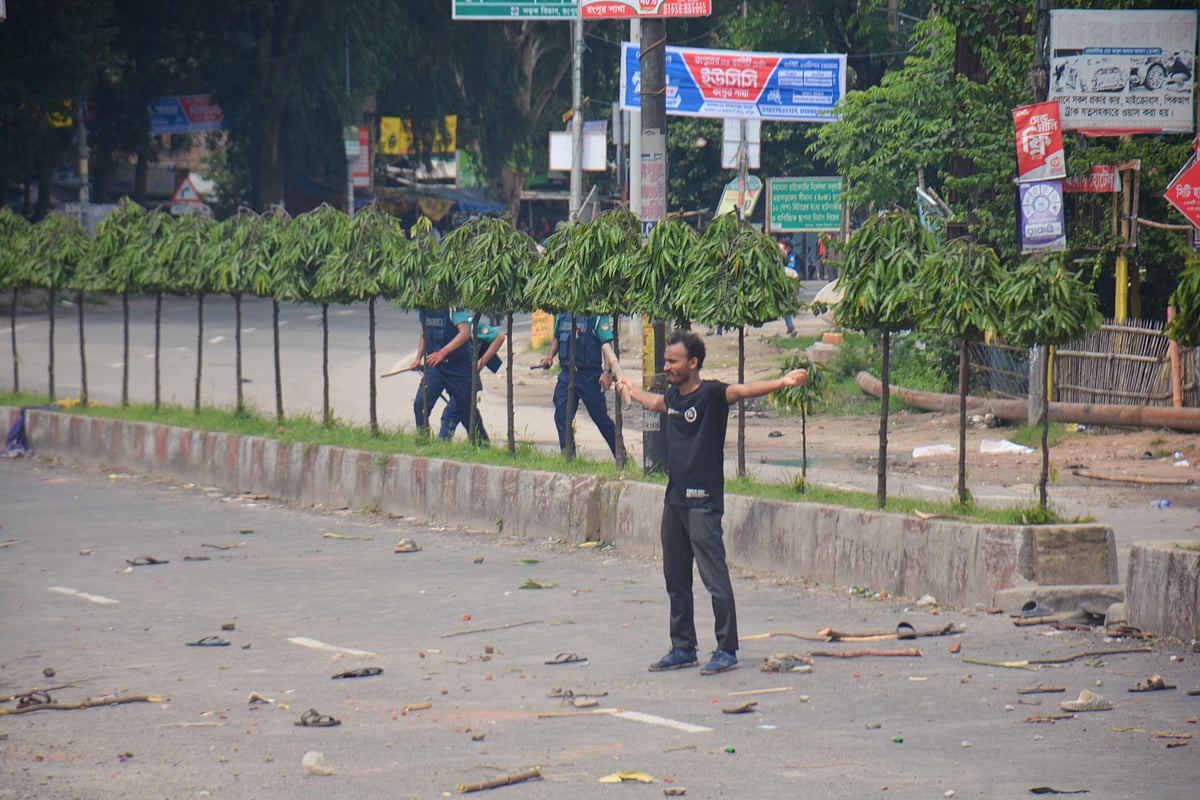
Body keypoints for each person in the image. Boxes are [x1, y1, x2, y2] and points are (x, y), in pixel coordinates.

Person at [616, 330, 807, 675]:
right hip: (674, 503)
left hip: (703, 503)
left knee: (714, 579)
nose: (667, 366)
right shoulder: (673, 398)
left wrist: (782, 382)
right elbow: (654, 403)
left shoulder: (713, 394)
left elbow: (744, 390)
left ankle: (727, 649)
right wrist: (630, 388)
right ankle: (683, 647)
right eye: (666, 361)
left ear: (693, 363)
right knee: (676, 579)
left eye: (672, 361)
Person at [538, 313, 617, 457]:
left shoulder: (596, 316)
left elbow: (606, 344)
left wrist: (607, 371)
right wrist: (549, 357)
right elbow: (557, 336)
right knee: (562, 416)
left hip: (589, 376)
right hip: (567, 374)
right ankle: (569, 458)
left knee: (600, 418)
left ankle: (621, 456)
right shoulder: (563, 315)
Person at [411, 308, 488, 442]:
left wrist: (443, 352)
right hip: (436, 367)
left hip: (458, 366)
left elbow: (464, 333)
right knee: (420, 405)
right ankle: (423, 442)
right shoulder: (424, 305)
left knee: (467, 411)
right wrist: (418, 358)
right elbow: (424, 333)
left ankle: (482, 445)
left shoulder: (453, 304)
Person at [438, 316, 505, 439]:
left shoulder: (470, 325)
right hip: (452, 378)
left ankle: (442, 443)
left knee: (451, 414)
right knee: (469, 415)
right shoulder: (441, 328)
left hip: (466, 379)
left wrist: (480, 363)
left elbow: (499, 337)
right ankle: (482, 444)